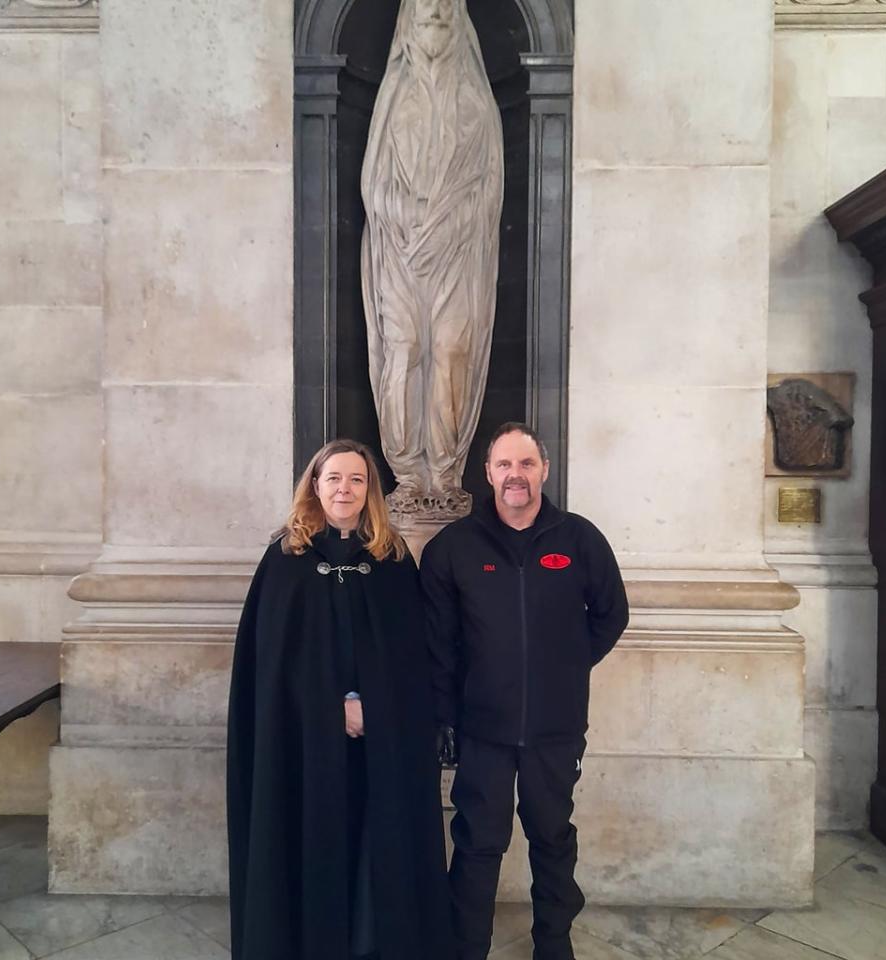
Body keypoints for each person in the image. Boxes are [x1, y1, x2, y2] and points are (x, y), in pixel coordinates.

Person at [227, 439, 453, 960]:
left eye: (356, 479)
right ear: (315, 485)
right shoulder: (285, 559)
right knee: (309, 834)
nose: (344, 489)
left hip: (382, 738)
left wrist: (373, 703)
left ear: (369, 490)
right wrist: (334, 705)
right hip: (303, 741)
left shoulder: (393, 561)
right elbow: (272, 666)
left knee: (377, 839)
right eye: (334, 478)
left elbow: (410, 657)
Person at [420, 423, 629, 960]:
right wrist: (445, 717)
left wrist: (565, 669)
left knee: (553, 838)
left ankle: (553, 945)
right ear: (487, 473)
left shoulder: (580, 539)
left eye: (527, 464)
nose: (517, 475)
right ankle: (466, 949)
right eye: (505, 465)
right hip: (482, 729)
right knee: (477, 845)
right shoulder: (453, 548)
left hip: (555, 731)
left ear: (544, 470)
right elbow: (438, 643)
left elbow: (611, 615)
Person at [360, 0, 503, 512]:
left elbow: (490, 187)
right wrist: (405, 220)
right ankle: (406, 476)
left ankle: (445, 474)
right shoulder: (395, 100)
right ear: (409, 28)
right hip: (400, 251)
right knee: (403, 349)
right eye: (427, 19)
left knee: (450, 352)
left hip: (458, 252)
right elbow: (374, 186)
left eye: (445, 19)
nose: (435, 27)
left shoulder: (475, 102)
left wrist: (450, 225)